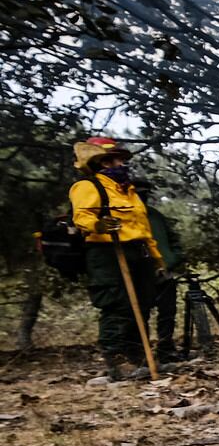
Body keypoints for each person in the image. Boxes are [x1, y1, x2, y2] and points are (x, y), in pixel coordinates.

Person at [68, 137, 163, 380]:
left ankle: (140, 359)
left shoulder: (129, 191)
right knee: (117, 305)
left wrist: (157, 259)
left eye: (121, 159)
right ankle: (117, 361)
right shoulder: (89, 186)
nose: (121, 163)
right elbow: (82, 217)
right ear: (102, 162)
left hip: (137, 251)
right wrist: (98, 224)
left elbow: (144, 228)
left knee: (142, 304)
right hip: (107, 252)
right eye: (115, 159)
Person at [132, 180, 185, 361]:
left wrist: (173, 259)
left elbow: (173, 239)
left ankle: (166, 349)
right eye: (139, 192)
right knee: (141, 314)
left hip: (165, 270)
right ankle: (141, 353)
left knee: (168, 313)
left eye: (145, 192)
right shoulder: (126, 216)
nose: (142, 196)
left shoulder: (155, 215)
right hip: (140, 273)